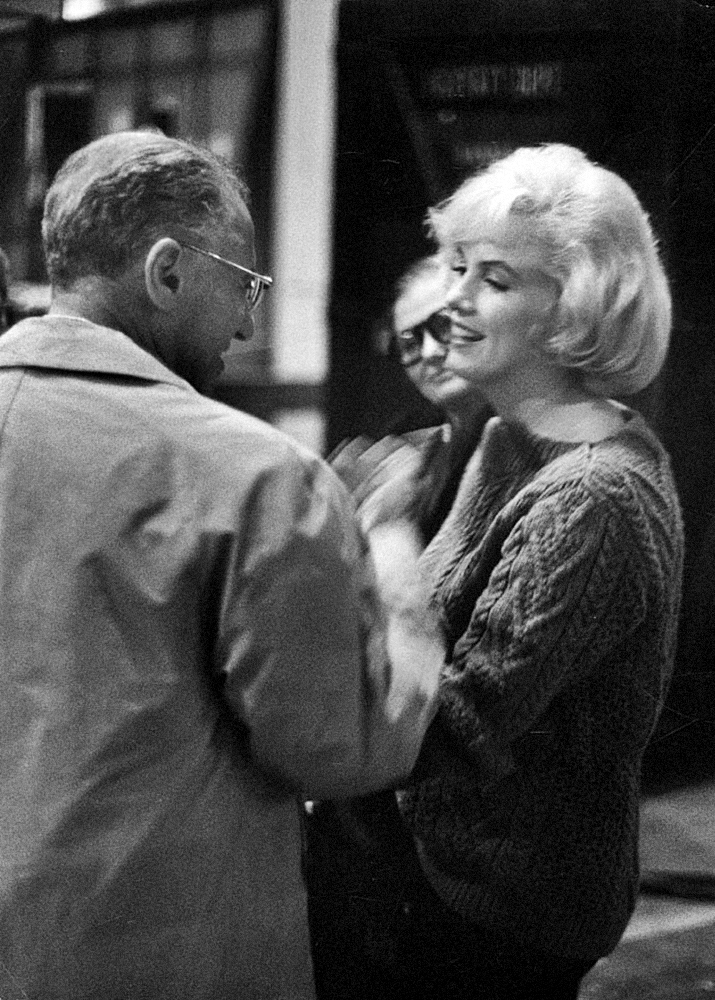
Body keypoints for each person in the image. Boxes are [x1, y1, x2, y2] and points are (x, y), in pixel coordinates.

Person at [0, 130, 446, 1000]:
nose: (247, 323)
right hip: (154, 955)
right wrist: (393, 558)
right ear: (167, 272)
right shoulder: (256, 477)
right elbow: (338, 749)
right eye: (244, 285)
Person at [306, 143, 684, 1000]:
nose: (455, 300)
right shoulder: (510, 437)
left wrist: (386, 540)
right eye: (457, 269)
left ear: (576, 306)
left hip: (492, 909)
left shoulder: (595, 496)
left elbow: (449, 729)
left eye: (495, 280)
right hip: (430, 869)